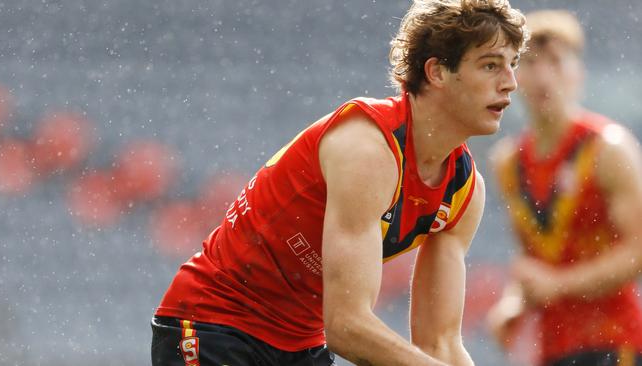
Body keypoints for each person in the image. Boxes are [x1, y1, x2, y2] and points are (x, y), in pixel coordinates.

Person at [152, 0, 527, 365]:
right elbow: (347, 327)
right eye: (490, 65)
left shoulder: (464, 192)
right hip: (213, 323)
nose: (510, 83)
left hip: (301, 347)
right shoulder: (368, 148)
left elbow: (440, 343)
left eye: (512, 65)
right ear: (437, 72)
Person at [487, 9, 642, 366]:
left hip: (614, 342)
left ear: (577, 73)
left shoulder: (608, 149)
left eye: (556, 62)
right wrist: (512, 304)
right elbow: (536, 260)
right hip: (552, 349)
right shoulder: (508, 163)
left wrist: (559, 285)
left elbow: (636, 252)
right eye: (530, 62)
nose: (543, 77)